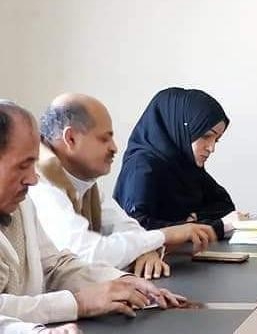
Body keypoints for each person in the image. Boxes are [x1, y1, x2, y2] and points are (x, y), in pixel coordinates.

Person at [0, 100, 185, 333]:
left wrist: (120, 281)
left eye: (33, 164)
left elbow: (55, 266)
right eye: (22, 166)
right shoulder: (39, 191)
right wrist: (78, 303)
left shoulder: (22, 203)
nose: (33, 179)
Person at [30, 94, 218, 280]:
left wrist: (145, 250)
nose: (114, 148)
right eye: (104, 139)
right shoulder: (40, 185)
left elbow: (128, 227)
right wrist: (164, 236)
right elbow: (86, 255)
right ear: (71, 138)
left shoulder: (85, 183)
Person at [113, 88, 246, 240]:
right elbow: (137, 231)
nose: (211, 148)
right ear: (180, 128)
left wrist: (193, 219)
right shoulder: (142, 167)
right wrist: (213, 227)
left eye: (216, 140)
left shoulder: (185, 166)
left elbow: (225, 206)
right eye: (206, 136)